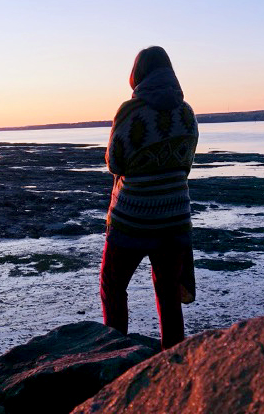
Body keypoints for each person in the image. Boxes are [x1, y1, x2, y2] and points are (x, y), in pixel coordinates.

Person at [100, 46, 199, 349]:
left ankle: (115, 353)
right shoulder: (186, 112)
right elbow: (185, 164)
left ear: (137, 74)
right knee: (169, 292)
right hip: (174, 218)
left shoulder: (130, 112)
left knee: (113, 286)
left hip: (133, 219)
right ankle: (173, 360)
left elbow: (114, 163)